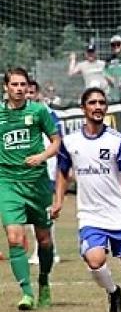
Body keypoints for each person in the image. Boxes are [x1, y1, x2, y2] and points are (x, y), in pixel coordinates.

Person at [52, 88, 121, 312]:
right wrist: (58, 201)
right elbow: (63, 172)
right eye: (92, 103)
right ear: (83, 108)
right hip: (90, 215)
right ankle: (113, 292)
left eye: (102, 103)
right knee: (95, 260)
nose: (98, 107)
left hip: (120, 214)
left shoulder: (118, 140)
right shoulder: (71, 141)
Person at [0, 68, 61, 310]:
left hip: (37, 184)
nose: (19, 88)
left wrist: (41, 156)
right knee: (14, 238)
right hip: (7, 183)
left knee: (44, 240)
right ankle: (26, 293)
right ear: (6, 87)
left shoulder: (38, 111)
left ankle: (44, 282)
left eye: (23, 84)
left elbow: (56, 141)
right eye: (14, 84)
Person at [25, 78, 61, 266]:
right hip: (28, 167)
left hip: (46, 166)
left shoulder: (47, 113)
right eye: (26, 91)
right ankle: (39, 250)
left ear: (37, 94)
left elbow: (56, 139)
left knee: (45, 210)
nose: (28, 95)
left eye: (32, 92)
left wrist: (44, 158)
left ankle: (50, 250)